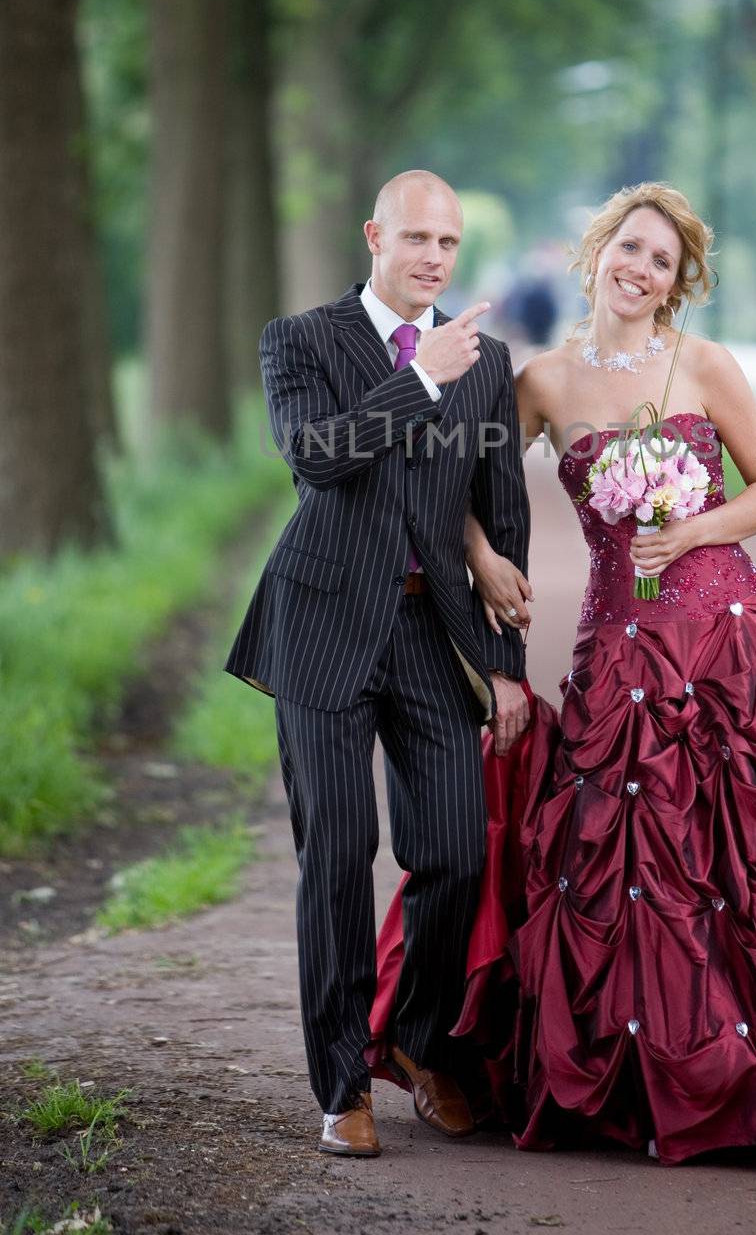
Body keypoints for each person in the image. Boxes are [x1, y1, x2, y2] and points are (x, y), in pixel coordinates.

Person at [373, 182, 756, 1162]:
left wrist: (690, 525)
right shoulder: (538, 381)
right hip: (617, 644)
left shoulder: (704, 365)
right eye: (629, 248)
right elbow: (449, 480)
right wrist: (481, 553)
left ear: (678, 281)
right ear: (598, 252)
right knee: (617, 862)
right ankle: (651, 1073)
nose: (640, 269)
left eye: (661, 261)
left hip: (732, 635)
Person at [224, 170, 532, 1159]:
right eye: (415, 239)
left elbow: (501, 511)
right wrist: (420, 376)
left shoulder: (487, 364)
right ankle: (342, 1081)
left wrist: (506, 663)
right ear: (373, 237)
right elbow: (315, 456)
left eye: (446, 242)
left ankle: (421, 1041)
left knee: (453, 850)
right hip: (318, 623)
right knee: (339, 855)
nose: (433, 258)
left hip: (423, 632)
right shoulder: (301, 340)